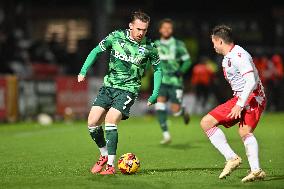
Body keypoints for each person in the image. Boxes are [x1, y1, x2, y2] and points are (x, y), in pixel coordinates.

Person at [78, 11, 162, 175]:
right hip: (108, 87)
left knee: (110, 120)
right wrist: (83, 70)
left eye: (144, 30)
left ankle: (110, 166)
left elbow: (158, 70)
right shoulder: (115, 36)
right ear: (130, 26)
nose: (141, 33)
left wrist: (155, 93)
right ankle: (103, 155)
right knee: (92, 122)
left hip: (128, 90)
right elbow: (96, 51)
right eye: (138, 29)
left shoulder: (150, 47)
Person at [200, 25, 266, 182]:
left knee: (242, 131)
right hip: (242, 97)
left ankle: (249, 166)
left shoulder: (238, 56)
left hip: (253, 97)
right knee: (208, 123)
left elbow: (250, 80)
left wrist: (240, 104)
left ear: (220, 41)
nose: (213, 46)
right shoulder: (229, 57)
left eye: (214, 42)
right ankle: (240, 162)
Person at [154, 18, 192, 144]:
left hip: (175, 81)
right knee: (160, 104)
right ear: (160, 29)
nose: (166, 30)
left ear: (172, 30)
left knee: (175, 111)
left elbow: (187, 61)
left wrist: (181, 70)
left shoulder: (178, 44)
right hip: (162, 80)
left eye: (169, 28)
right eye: (164, 27)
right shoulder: (155, 45)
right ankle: (166, 135)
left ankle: (182, 111)